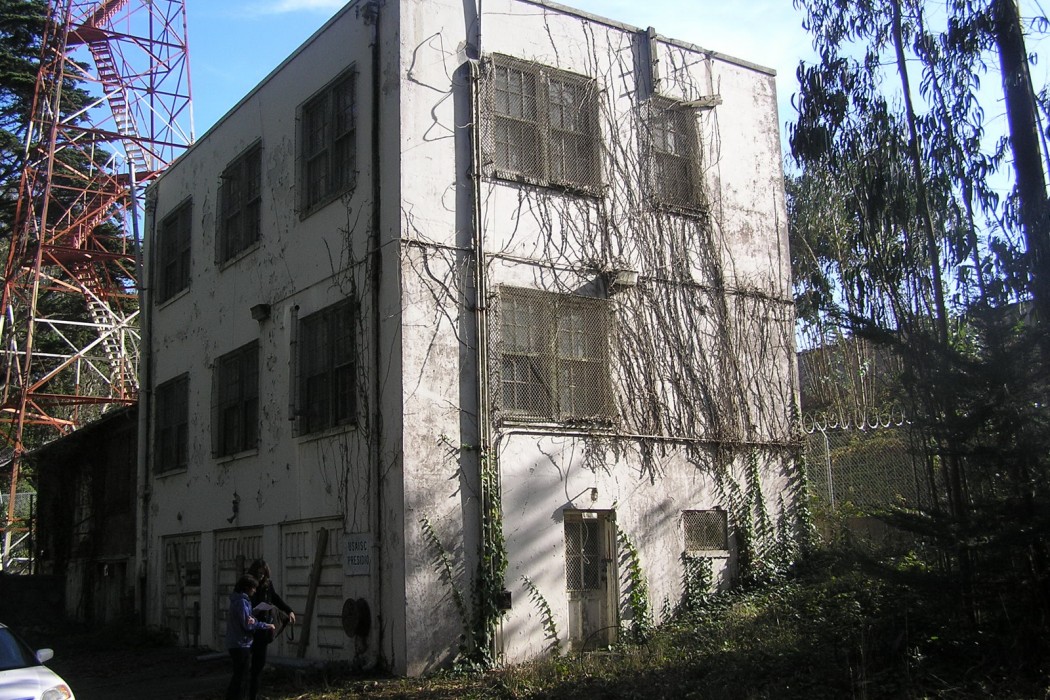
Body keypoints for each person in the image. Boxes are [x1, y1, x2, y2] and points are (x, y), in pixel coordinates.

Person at [247, 559, 296, 700]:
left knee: (258, 665)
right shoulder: (248, 584)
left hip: (263, 628)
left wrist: (289, 610)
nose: (261, 576)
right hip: (249, 628)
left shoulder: (267, 585)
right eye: (258, 573)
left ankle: (253, 695)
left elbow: (275, 598)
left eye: (263, 573)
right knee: (245, 666)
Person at [225, 574, 275, 700]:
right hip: (241, 643)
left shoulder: (238, 600)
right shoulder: (242, 602)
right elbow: (247, 624)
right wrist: (265, 625)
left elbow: (246, 618)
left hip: (236, 642)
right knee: (241, 677)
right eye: (253, 588)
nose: (254, 591)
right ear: (247, 588)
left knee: (239, 676)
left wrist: (253, 613)